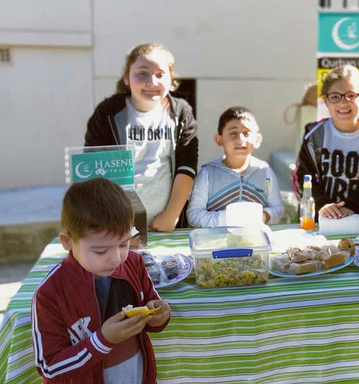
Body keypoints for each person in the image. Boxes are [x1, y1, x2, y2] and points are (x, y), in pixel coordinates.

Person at [31, 177, 171, 383]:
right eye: (100, 250)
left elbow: (151, 306)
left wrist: (159, 314)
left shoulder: (134, 263)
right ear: (68, 242)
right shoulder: (51, 294)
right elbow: (49, 366)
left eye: (124, 244)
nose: (116, 258)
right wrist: (101, 341)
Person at [85, 43, 199, 232]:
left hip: (166, 223)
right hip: (118, 224)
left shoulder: (181, 112)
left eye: (160, 74)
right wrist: (111, 219)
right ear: (126, 77)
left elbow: (186, 167)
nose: (152, 81)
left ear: (171, 79)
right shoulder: (107, 112)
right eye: (142, 73)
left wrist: (171, 216)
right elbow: (95, 168)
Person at [293, 64, 359, 219]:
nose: (344, 103)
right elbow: (302, 176)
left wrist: (352, 207)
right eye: (335, 96)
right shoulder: (315, 134)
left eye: (351, 95)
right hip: (320, 219)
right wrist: (323, 204)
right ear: (325, 100)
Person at [186, 106, 284, 227]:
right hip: (216, 242)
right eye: (233, 133)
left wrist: (264, 216)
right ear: (219, 140)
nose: (240, 139)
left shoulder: (264, 171)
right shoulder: (208, 173)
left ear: (257, 140)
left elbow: (278, 208)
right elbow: (194, 215)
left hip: (255, 241)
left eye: (246, 133)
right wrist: (232, 218)